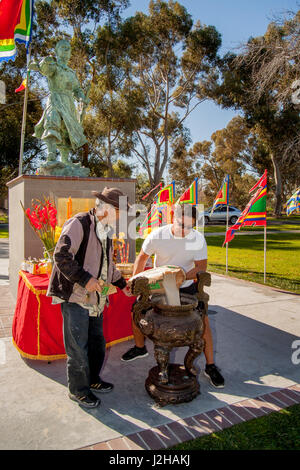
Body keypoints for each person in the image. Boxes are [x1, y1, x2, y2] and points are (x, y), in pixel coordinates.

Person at [121, 204, 225, 388]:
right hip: (159, 284)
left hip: (184, 284)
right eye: (181, 224)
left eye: (189, 226)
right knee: (136, 310)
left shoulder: (197, 238)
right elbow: (142, 258)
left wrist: (180, 276)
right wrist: (136, 280)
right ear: (172, 218)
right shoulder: (157, 235)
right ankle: (139, 348)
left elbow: (201, 267)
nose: (185, 230)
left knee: (204, 321)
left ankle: (210, 366)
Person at [47, 187, 131, 408]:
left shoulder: (107, 230)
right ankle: (78, 390)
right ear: (106, 208)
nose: (120, 216)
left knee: (96, 344)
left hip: (96, 299)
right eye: (119, 211)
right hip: (75, 296)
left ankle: (92, 381)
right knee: (78, 348)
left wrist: (122, 284)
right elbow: (61, 255)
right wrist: (85, 279)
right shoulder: (80, 223)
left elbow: (108, 265)